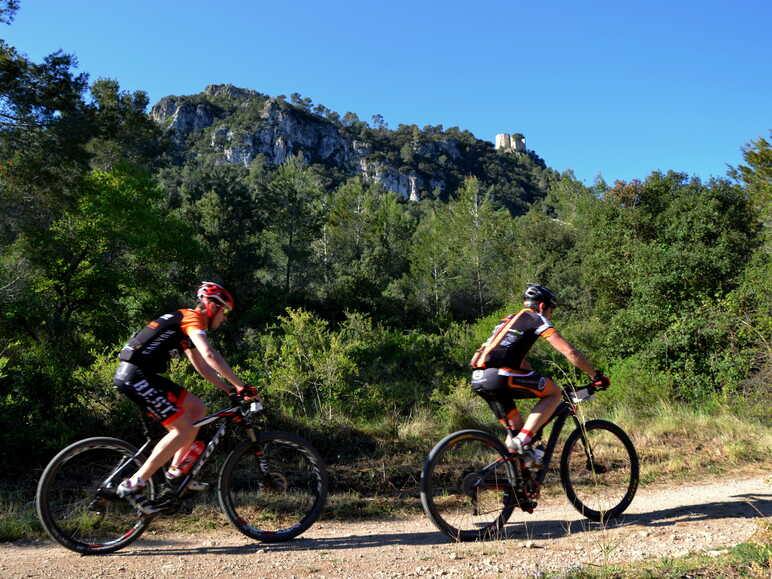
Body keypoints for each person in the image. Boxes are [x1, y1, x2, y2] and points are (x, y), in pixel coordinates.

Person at [113, 281, 258, 513]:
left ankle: (175, 473)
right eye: (225, 312)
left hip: (141, 374)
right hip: (135, 376)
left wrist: (229, 389)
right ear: (211, 306)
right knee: (183, 429)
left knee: (197, 409)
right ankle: (134, 482)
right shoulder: (192, 318)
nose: (225, 318)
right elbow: (210, 354)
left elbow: (201, 365)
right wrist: (241, 386)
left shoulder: (185, 324)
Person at [470, 283, 609, 462]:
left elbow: (522, 362)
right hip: (500, 376)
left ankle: (509, 481)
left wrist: (537, 380)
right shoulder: (537, 318)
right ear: (542, 306)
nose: (551, 315)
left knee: (516, 432)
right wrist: (595, 376)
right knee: (554, 393)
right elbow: (570, 352)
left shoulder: (508, 320)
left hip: (479, 379)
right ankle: (522, 441)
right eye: (552, 310)